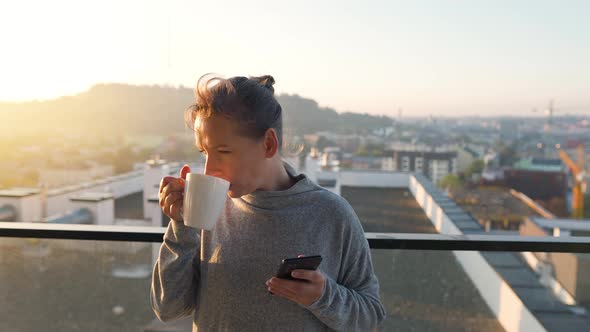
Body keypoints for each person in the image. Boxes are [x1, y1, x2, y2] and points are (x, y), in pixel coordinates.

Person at [150, 74, 385, 331]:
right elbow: (168, 309)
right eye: (205, 152)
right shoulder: (208, 210)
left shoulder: (332, 214)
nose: (210, 169)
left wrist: (324, 296)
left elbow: (370, 316)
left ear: (269, 144)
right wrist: (182, 225)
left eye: (224, 152)